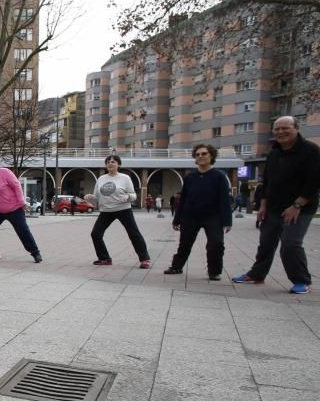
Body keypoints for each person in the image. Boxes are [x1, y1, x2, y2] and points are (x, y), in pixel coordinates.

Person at [233, 116, 320, 293]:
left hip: (299, 208)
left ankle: (302, 281)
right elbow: (268, 181)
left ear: (296, 128)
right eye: (277, 129)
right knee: (266, 242)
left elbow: (315, 181)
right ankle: (257, 274)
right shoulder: (274, 152)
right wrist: (263, 205)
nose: (280, 132)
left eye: (285, 128)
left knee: (290, 243)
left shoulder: (311, 151)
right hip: (273, 206)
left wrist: (296, 205)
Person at [164, 144, 232, 281]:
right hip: (190, 216)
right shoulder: (190, 177)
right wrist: (176, 219)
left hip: (213, 217)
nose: (200, 156)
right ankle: (176, 266)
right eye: (198, 154)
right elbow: (182, 200)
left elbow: (225, 200)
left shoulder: (219, 176)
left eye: (204, 154)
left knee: (216, 244)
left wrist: (227, 221)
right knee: (185, 243)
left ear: (211, 156)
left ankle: (214, 271)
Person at [85, 154, 151, 268]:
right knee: (95, 234)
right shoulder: (101, 178)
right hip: (106, 211)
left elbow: (134, 195)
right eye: (108, 162)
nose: (110, 163)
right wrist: (91, 196)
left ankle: (144, 259)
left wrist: (127, 197)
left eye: (113, 162)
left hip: (123, 209)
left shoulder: (125, 178)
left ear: (118, 164)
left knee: (134, 234)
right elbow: (96, 197)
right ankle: (104, 258)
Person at [0, 157, 43, 263]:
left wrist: (22, 202)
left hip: (14, 209)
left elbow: (17, 186)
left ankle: (35, 252)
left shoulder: (5, 173)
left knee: (23, 231)